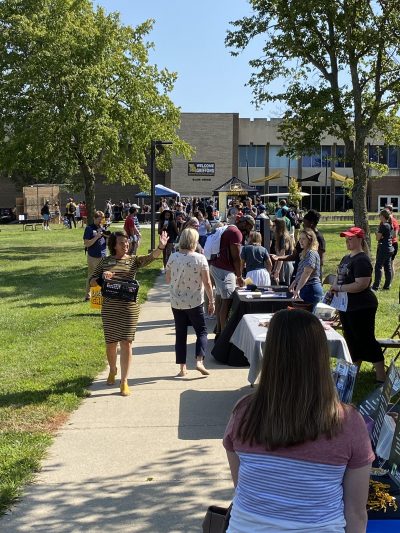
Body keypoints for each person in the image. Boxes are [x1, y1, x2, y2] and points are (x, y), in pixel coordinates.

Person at [223, 309, 373, 533]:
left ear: (270, 354)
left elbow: (242, 487)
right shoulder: (350, 422)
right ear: (321, 356)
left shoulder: (243, 411)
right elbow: (356, 513)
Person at [90, 230, 169, 396]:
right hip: (110, 307)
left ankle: (124, 381)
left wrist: (161, 247)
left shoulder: (133, 260)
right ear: (113, 245)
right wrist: (103, 278)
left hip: (129, 307)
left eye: (127, 243)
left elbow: (151, 258)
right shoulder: (105, 261)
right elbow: (91, 281)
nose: (126, 245)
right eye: (121, 243)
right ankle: (112, 369)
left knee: (126, 342)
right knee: (111, 343)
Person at [331, 226, 386, 382]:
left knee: (366, 339)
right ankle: (353, 374)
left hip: (362, 306)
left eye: (351, 238)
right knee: (351, 339)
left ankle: (381, 377)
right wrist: (334, 289)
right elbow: (338, 277)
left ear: (360, 239)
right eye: (346, 238)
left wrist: (339, 288)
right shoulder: (346, 258)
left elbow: (361, 284)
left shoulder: (362, 259)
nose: (347, 241)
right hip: (347, 306)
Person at [165, 228, 215, 377]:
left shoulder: (173, 257)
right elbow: (207, 282)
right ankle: (199, 360)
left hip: (176, 301)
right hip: (194, 301)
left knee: (180, 334)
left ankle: (182, 368)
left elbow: (168, 280)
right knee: (201, 331)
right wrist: (211, 301)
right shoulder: (200, 258)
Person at [209, 215, 255, 339]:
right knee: (227, 301)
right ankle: (224, 336)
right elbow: (236, 257)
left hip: (215, 266)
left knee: (220, 298)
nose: (249, 230)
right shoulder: (236, 233)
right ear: (245, 223)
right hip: (225, 269)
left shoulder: (228, 228)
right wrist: (239, 276)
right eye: (250, 227)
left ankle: (219, 330)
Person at [271, 209, 325, 281]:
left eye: (305, 223)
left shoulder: (319, 238)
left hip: (310, 277)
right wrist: (279, 258)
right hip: (298, 273)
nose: (302, 225)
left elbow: (320, 261)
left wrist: (308, 274)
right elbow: (294, 256)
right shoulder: (303, 237)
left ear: (311, 223)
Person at [289, 228, 323, 307]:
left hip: (311, 289)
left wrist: (298, 288)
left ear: (310, 240)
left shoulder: (311, 253)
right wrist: (294, 282)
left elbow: (306, 273)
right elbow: (301, 272)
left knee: (309, 318)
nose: (300, 241)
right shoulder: (305, 252)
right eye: (300, 238)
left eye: (303, 239)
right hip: (306, 289)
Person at [83, 211, 108, 301]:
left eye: (102, 220)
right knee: (92, 276)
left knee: (103, 276)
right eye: (99, 220)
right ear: (94, 218)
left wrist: (108, 236)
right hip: (93, 256)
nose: (100, 222)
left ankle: (102, 295)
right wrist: (97, 237)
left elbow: (107, 243)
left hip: (103, 255)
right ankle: (88, 295)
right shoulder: (89, 229)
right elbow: (86, 243)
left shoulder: (103, 228)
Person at [372, 209, 394, 291]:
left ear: (382, 216)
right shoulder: (390, 225)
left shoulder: (383, 225)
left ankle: (375, 287)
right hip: (389, 248)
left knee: (378, 267)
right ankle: (387, 286)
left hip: (383, 248)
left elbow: (378, 238)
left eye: (380, 215)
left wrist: (376, 233)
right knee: (387, 268)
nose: (379, 217)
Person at [270, 218, 294, 285]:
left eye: (274, 226)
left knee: (284, 288)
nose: (272, 228)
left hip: (285, 266)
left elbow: (281, 256)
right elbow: (278, 257)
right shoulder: (279, 237)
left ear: (279, 227)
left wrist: (277, 271)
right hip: (281, 265)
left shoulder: (283, 238)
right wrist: (274, 270)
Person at [158, 209, 179, 273]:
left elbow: (176, 231)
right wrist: (163, 227)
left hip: (170, 239)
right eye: (166, 215)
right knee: (164, 253)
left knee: (169, 253)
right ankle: (165, 267)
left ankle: (169, 267)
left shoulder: (172, 222)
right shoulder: (161, 221)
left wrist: (174, 240)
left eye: (169, 215)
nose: (167, 216)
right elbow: (159, 231)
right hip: (163, 239)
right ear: (164, 215)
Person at [385, 204, 398, 276]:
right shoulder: (384, 221)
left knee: (390, 264)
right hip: (384, 244)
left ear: (391, 212)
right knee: (385, 264)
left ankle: (389, 283)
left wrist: (391, 225)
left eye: (386, 211)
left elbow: (394, 235)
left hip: (392, 244)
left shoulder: (394, 221)